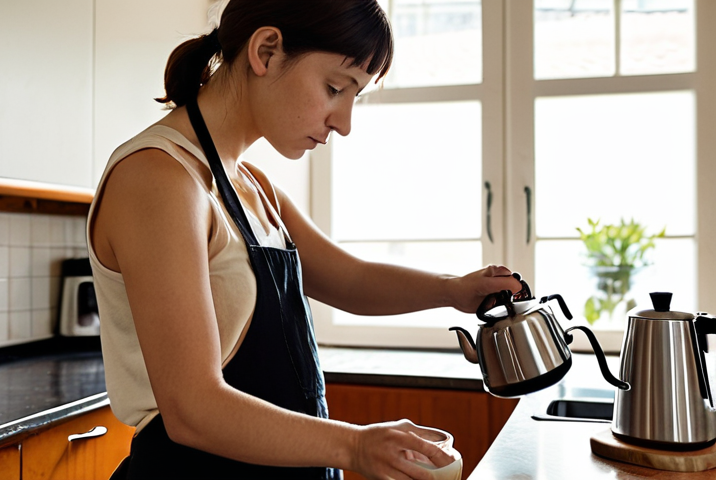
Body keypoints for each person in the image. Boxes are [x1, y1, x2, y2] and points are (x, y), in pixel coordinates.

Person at [87, 1, 523, 478]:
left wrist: (452, 290)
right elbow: (193, 409)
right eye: (335, 88)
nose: (345, 123)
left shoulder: (253, 186)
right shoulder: (157, 178)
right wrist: (356, 446)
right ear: (267, 51)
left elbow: (349, 280)